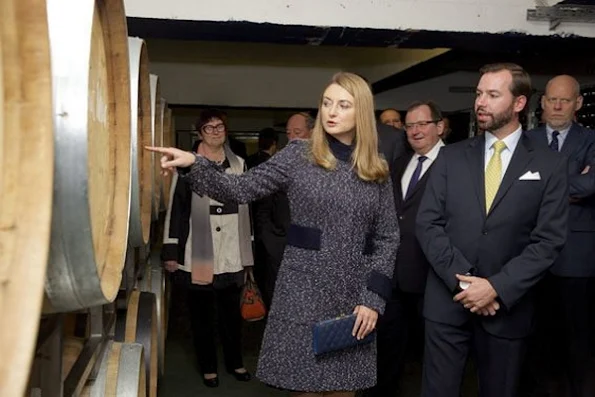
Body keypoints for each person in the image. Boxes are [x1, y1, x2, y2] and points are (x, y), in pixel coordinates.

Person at [149, 72, 400, 396]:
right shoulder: (299, 155)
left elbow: (387, 237)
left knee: (343, 389)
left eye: (343, 105)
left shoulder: (375, 167)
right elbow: (240, 188)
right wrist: (193, 164)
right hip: (303, 292)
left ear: (361, 111)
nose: (332, 112)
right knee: (305, 388)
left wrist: (372, 299)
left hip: (353, 299)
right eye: (326, 103)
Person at [416, 63, 568, 397]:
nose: (481, 102)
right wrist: (466, 282)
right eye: (479, 93)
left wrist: (496, 287)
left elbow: (548, 241)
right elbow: (428, 223)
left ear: (519, 103)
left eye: (493, 95)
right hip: (447, 303)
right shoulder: (451, 158)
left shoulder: (549, 163)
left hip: (506, 310)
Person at [161, 109, 253, 388]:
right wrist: (171, 251)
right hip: (197, 249)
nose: (215, 131)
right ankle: (208, 367)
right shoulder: (187, 164)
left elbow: (248, 207)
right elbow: (176, 209)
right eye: (209, 128)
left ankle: (235, 361)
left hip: (231, 250)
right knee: (201, 316)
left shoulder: (239, 164)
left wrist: (249, 251)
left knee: (231, 315)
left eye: (220, 126)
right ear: (199, 133)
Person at [526, 74, 595, 397]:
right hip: (529, 253)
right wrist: (571, 183)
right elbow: (515, 189)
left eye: (565, 100)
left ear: (578, 104)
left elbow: (592, 185)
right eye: (552, 99)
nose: (557, 105)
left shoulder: (592, 140)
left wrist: (541, 187)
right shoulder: (526, 140)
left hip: (576, 256)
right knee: (536, 336)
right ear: (542, 102)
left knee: (578, 337)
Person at [371, 101, 445, 397]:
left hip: (433, 273)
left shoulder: (455, 163)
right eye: (409, 125)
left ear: (439, 127)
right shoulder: (400, 163)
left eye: (422, 124)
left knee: (435, 350)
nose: (415, 131)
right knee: (389, 346)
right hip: (395, 273)